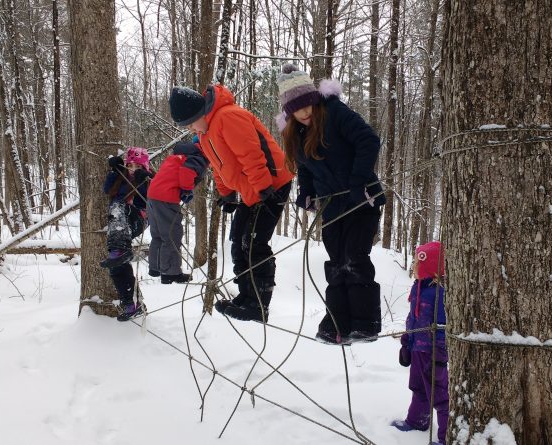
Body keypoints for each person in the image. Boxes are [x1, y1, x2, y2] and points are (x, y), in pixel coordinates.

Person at [276, 63, 385, 344]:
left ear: (314, 97)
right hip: (332, 206)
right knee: (336, 263)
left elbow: (368, 140)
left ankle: (365, 323)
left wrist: (358, 181)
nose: (305, 112)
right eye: (297, 108)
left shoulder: (334, 112)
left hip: (362, 199)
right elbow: (307, 168)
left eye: (307, 104)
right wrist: (307, 193)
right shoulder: (295, 133)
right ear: (289, 111)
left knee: (354, 258)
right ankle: (337, 325)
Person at [168, 83, 294, 323]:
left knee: (254, 243)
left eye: (191, 123)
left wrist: (265, 189)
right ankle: (246, 297)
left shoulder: (229, 116)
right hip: (252, 189)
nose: (191, 128)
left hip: (271, 183)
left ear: (199, 114)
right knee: (238, 240)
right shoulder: (205, 135)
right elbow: (218, 166)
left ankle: (259, 304)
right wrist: (226, 193)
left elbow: (251, 154)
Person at [391, 241, 448, 445]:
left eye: (417, 262)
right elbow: (412, 318)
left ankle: (446, 436)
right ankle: (417, 421)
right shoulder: (418, 287)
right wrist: (407, 341)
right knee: (419, 387)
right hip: (417, 347)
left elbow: (443, 324)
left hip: (432, 350)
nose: (414, 266)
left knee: (439, 393)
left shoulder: (439, 292)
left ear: (429, 266)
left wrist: (441, 351)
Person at [100, 147, 154, 321]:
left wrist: (145, 180)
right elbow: (108, 189)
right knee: (116, 266)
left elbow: (153, 198)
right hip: (120, 226)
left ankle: (120, 249)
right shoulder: (122, 177)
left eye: (137, 166)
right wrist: (114, 171)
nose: (133, 169)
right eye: (130, 165)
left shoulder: (150, 177)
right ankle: (131, 303)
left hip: (138, 218)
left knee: (118, 206)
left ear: (144, 165)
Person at [146, 138, 208, 284]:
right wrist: (186, 190)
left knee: (158, 234)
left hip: (152, 195)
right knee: (172, 235)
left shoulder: (177, 156)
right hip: (166, 197)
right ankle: (170, 273)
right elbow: (187, 172)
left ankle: (155, 267)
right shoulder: (197, 156)